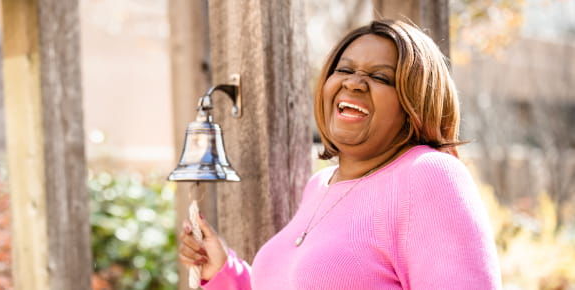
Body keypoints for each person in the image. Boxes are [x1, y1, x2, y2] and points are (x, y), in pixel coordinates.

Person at [178, 19, 502, 289]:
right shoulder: (319, 186)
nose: (355, 83)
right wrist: (224, 272)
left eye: (380, 77)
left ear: (414, 104)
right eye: (344, 70)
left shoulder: (428, 174)